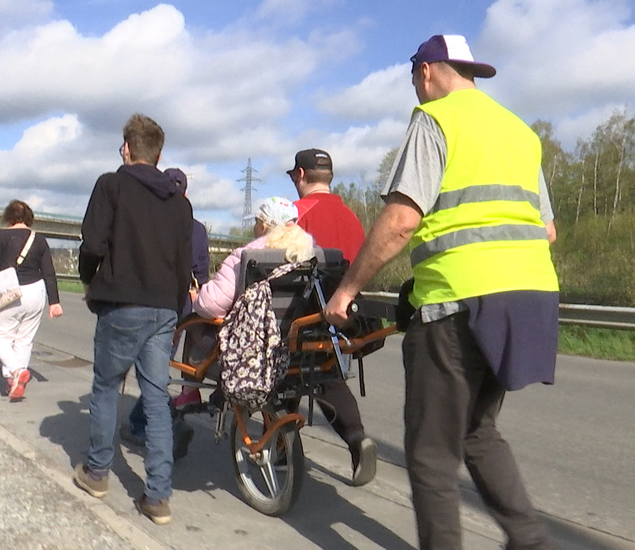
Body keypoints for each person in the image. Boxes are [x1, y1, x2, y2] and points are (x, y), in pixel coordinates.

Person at [324, 35, 558, 549]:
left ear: (426, 72)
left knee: (431, 452)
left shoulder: (435, 119)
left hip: (460, 302)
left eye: (414, 80)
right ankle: (531, 541)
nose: (416, 89)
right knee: (476, 429)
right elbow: (546, 231)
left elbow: (402, 221)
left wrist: (346, 291)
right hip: (530, 297)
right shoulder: (520, 132)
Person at [74, 114, 192, 525]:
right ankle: (157, 497)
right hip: (163, 308)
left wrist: (92, 282)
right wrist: (174, 308)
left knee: (106, 387)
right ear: (159, 155)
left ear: (127, 148)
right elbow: (183, 264)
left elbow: (92, 243)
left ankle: (97, 472)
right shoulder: (180, 202)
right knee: (157, 399)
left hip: (121, 302)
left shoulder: (111, 185)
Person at [286, 148, 377, 487]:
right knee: (329, 378)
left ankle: (280, 451)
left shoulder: (294, 214)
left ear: (299, 175)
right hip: (342, 321)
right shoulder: (351, 218)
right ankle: (356, 438)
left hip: (301, 317)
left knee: (281, 375)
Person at [122, 167, 210, 452]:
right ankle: (151, 420)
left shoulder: (148, 219)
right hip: (181, 308)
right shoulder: (197, 228)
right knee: (156, 368)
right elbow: (202, 273)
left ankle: (160, 424)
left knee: (149, 371)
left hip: (146, 301)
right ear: (185, 192)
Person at [0, 200, 63, 400]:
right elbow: (49, 272)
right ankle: (14, 382)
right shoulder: (39, 239)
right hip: (36, 291)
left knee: (0, 337)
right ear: (29, 217)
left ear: (8, 217)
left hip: (9, 291)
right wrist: (54, 301)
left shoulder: (1, 236)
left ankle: (15, 372)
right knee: (24, 340)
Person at [193, 197, 314, 319]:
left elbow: (210, 305)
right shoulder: (310, 256)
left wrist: (196, 298)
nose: (254, 227)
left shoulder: (245, 257)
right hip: (298, 333)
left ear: (263, 226)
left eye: (256, 222)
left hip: (253, 335)